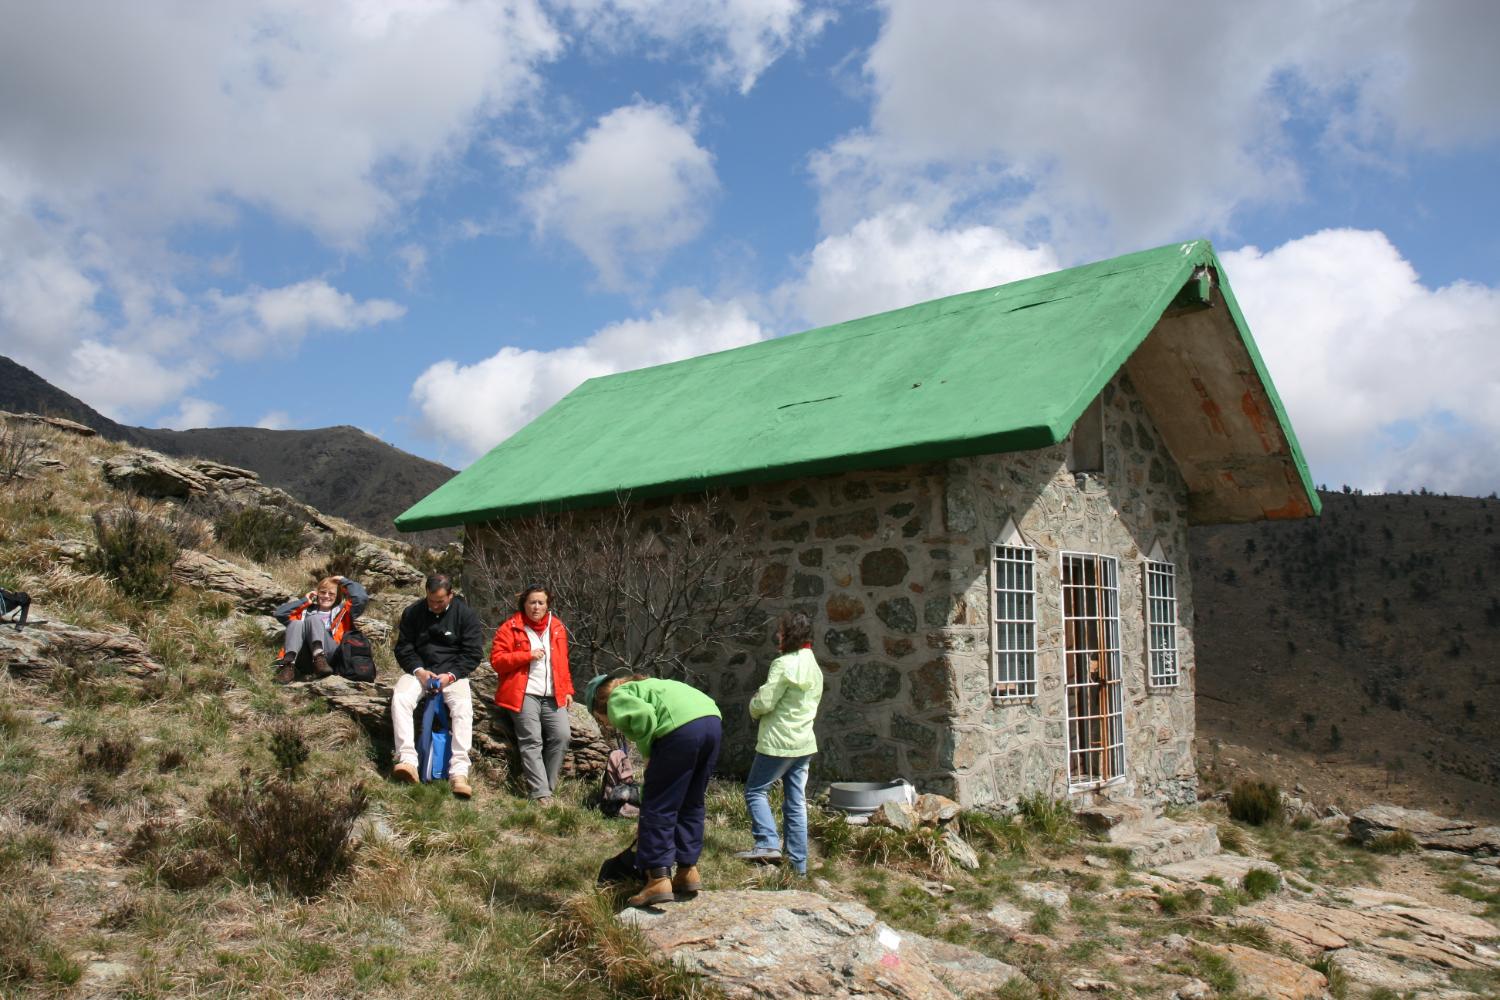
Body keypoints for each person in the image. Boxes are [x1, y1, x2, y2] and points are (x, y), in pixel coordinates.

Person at [584, 671, 721, 908]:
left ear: (599, 704)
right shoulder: (649, 687)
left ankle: (658, 877)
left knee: (658, 806)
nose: (604, 724)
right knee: (691, 801)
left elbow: (646, 717)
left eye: (599, 718)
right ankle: (688, 871)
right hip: (711, 722)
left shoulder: (617, 698)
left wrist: (648, 755)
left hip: (681, 731)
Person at [735, 611, 823, 875]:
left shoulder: (783, 664)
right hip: (804, 743)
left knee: (755, 790)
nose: (777, 634)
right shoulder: (814, 665)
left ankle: (767, 843)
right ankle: (798, 866)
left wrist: (753, 704)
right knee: (795, 802)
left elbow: (765, 702)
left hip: (778, 742)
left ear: (790, 634)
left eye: (781, 630)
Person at [391, 574, 483, 799]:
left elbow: (472, 653)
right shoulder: (413, 612)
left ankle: (458, 772)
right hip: (420, 672)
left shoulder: (466, 615)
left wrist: (450, 676)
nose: (434, 605)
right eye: (431, 600)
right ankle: (408, 760)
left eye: (440, 601)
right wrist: (419, 671)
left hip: (453, 675)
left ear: (450, 595)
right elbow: (403, 648)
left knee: (462, 707)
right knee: (400, 697)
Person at [490, 585, 574, 805]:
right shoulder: (511, 627)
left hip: (552, 694)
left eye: (541, 603)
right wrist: (526, 656)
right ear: (524, 604)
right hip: (523, 693)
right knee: (532, 740)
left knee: (562, 736)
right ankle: (541, 794)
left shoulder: (556, 627)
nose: (536, 607)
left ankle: (548, 787)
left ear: (547, 605)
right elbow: (497, 661)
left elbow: (562, 663)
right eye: (532, 602)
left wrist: (567, 690)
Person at [271, 574, 369, 684]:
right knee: (296, 623)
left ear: (337, 597)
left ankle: (319, 659)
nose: (326, 596)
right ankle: (288, 667)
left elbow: (361, 598)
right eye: (323, 592)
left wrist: (345, 581)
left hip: (331, 657)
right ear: (317, 594)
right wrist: (304, 601)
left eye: (331, 594)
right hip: (305, 659)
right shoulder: (304, 611)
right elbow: (279, 613)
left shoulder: (343, 612)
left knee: (314, 619)